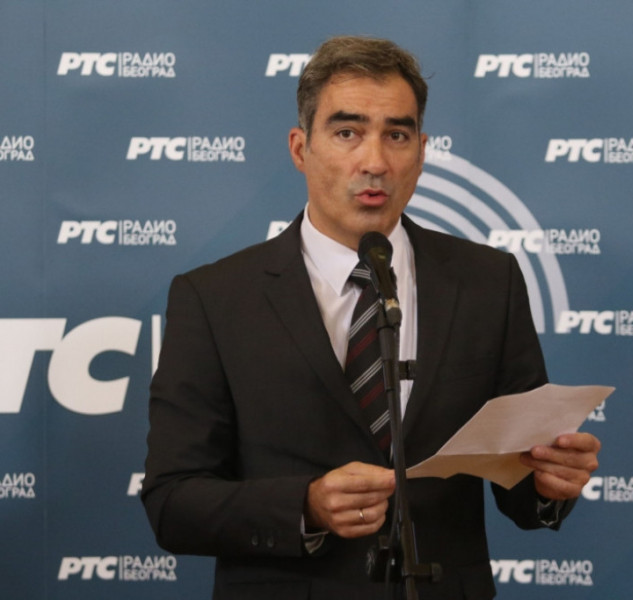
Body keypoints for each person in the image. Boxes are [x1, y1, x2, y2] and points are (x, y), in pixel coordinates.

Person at [142, 35, 601, 600]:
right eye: (347, 133)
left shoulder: (489, 282)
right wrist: (306, 506)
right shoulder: (214, 298)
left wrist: (550, 483)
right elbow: (172, 501)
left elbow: (522, 484)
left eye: (397, 135)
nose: (376, 162)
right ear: (300, 148)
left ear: (422, 151)